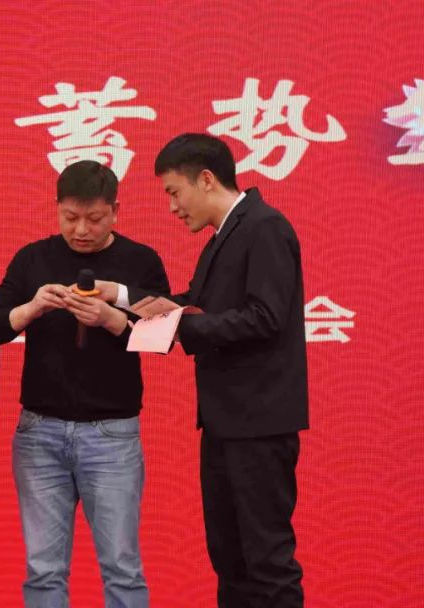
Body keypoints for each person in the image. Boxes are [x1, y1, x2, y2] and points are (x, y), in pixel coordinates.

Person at [128, 133, 310, 607]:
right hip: (225, 422)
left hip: (260, 424)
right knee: (230, 558)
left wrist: (182, 326)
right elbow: (197, 303)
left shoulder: (265, 227)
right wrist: (127, 302)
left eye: (174, 192)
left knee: (267, 561)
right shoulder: (223, 236)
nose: (172, 207)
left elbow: (264, 317)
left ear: (206, 179)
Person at [0, 160, 169, 608]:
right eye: (70, 217)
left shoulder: (140, 261)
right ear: (57, 208)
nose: (81, 230)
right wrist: (31, 308)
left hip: (112, 435)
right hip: (39, 433)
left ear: (116, 211)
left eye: (95, 218)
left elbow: (165, 335)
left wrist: (112, 320)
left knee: (122, 567)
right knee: (43, 569)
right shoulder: (33, 258)